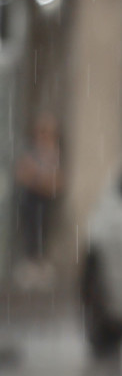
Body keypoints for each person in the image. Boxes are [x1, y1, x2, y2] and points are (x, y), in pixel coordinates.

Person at [13, 113, 63, 288]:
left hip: (46, 201)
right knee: (31, 233)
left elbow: (56, 182)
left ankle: (40, 266)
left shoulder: (53, 154)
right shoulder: (31, 152)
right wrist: (40, 179)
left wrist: (40, 179)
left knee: (44, 233)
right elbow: (23, 174)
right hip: (32, 200)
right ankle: (31, 265)